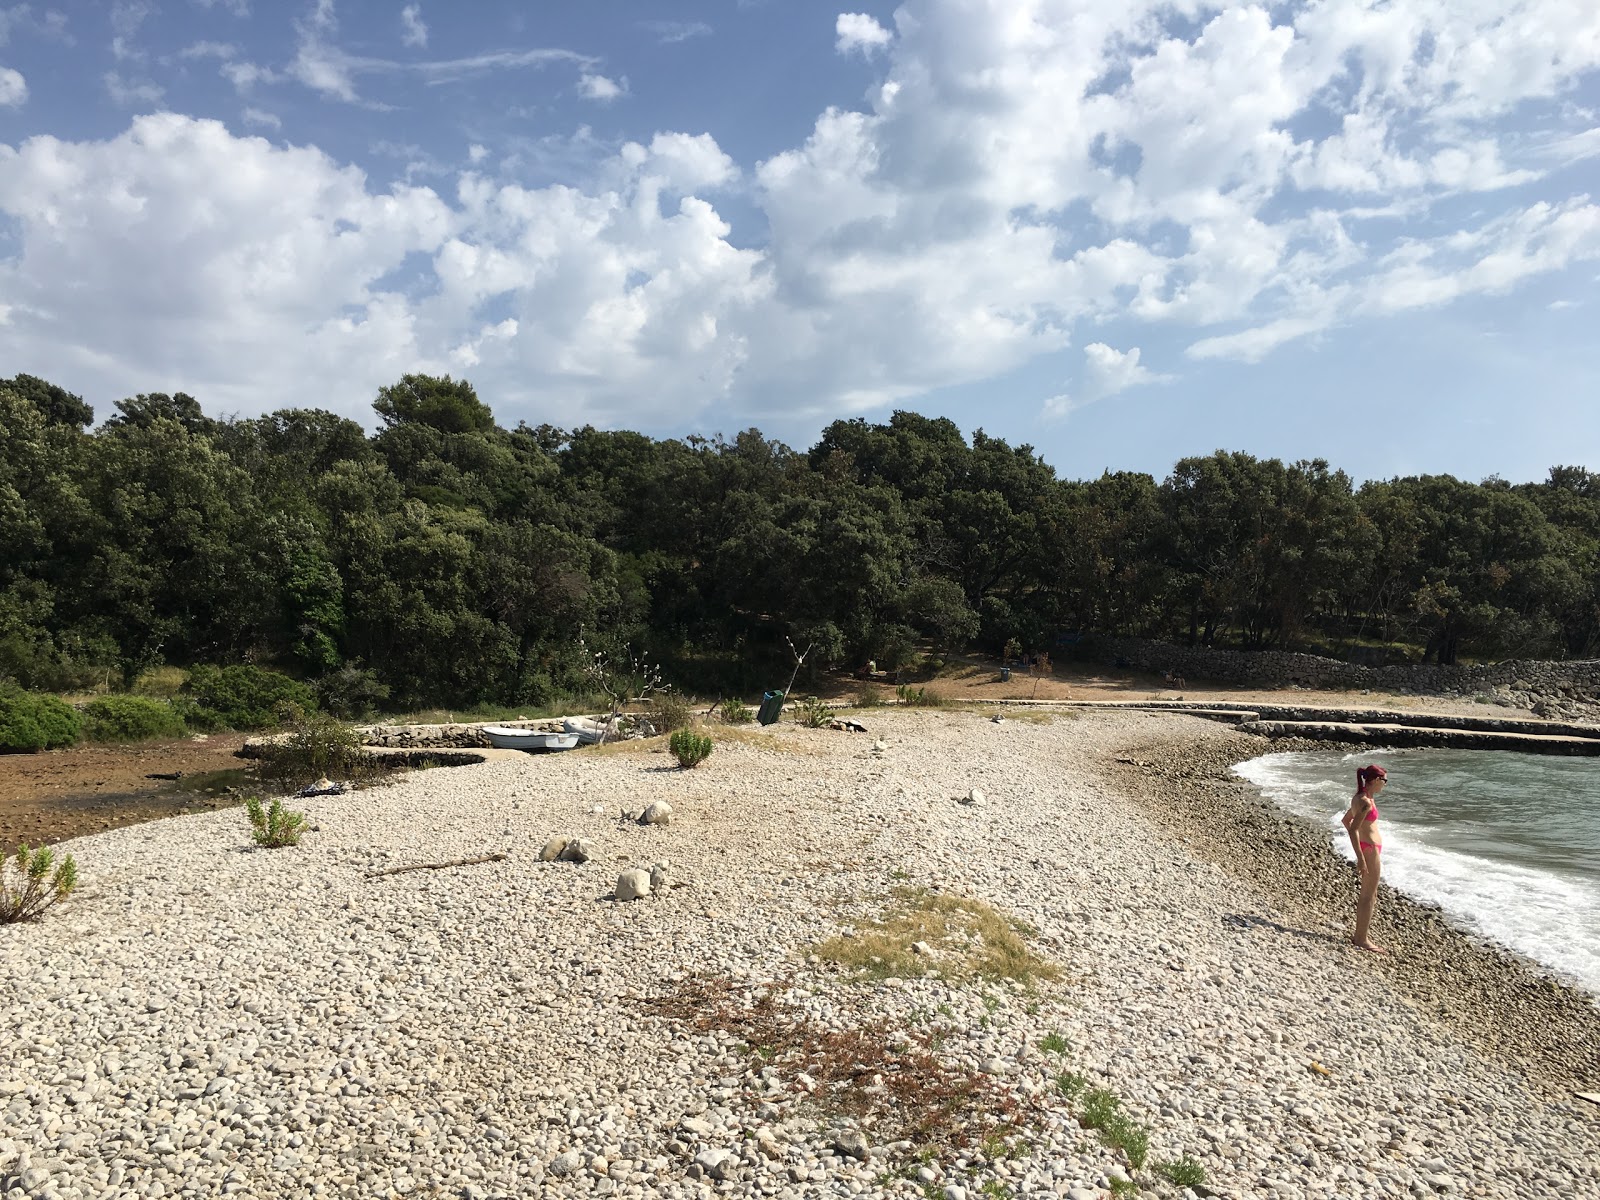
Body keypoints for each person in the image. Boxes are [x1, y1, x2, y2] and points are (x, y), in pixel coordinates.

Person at [1341, 764, 1388, 952]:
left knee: (1371, 894)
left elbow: (1346, 820)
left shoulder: (1361, 798)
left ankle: (1361, 935)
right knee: (1368, 896)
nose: (1385, 784)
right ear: (1376, 780)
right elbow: (1352, 828)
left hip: (1368, 847)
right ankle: (1361, 939)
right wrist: (1360, 856)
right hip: (1369, 850)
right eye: (1384, 781)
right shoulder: (1366, 802)